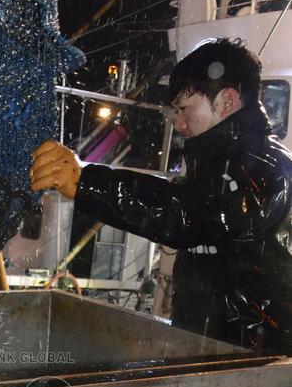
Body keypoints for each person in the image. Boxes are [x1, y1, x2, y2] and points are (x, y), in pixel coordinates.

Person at [30, 38, 292, 354]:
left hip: (266, 361)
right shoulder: (220, 164)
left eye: (184, 109)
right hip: (219, 353)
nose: (178, 124)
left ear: (227, 101)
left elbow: (187, 213)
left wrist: (84, 180)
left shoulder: (266, 168)